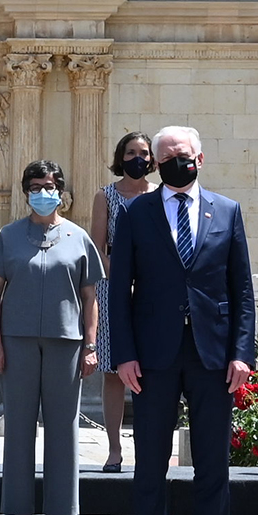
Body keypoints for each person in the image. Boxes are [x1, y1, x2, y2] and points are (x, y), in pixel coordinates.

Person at [107, 125, 256, 515]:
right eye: (166, 156)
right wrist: (124, 355)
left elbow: (243, 291)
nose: (176, 161)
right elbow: (120, 291)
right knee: (151, 462)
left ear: (200, 157)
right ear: (156, 162)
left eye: (183, 154)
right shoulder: (135, 212)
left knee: (212, 462)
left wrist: (241, 352)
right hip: (153, 355)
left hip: (212, 354)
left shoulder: (227, 211)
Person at [0, 160, 103, 515]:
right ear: (26, 191)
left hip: (66, 341)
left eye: (50, 186)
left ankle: (59, 507)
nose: (43, 193)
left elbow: (90, 296)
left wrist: (91, 345)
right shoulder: (8, 236)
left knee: (63, 425)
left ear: (61, 192)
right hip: (16, 341)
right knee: (18, 423)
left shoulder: (78, 237)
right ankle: (20, 507)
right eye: (36, 187)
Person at [90, 132, 154, 472]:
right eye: (131, 152)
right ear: (121, 155)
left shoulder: (160, 195)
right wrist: (123, 271)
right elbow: (97, 248)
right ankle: (114, 449)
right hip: (113, 287)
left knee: (151, 370)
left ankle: (149, 448)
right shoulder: (107, 196)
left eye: (143, 152)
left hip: (152, 288)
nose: (137, 158)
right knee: (113, 371)